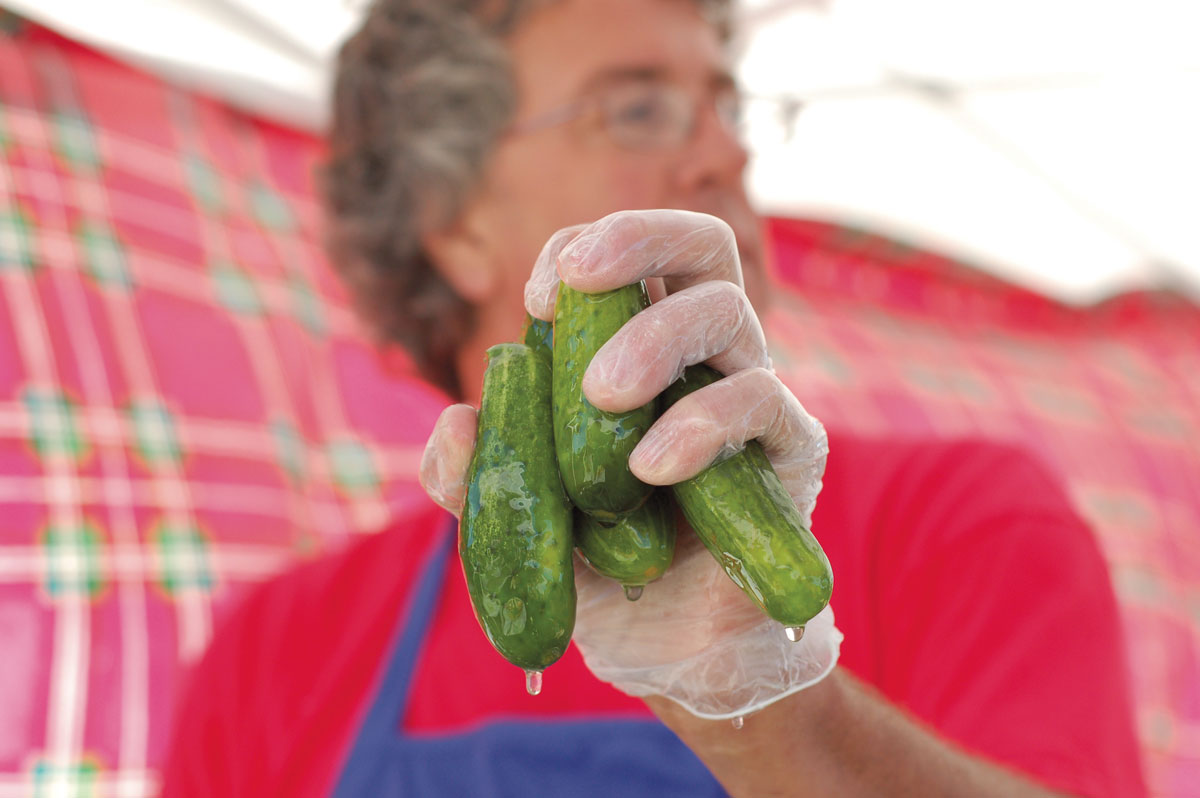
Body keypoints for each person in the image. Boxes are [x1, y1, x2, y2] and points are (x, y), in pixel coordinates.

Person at [161, 1, 1145, 795]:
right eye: (637, 109)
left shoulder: (959, 522)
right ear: (452, 222)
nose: (727, 155)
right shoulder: (277, 654)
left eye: (728, 108)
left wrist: (766, 705)